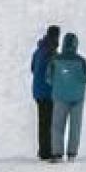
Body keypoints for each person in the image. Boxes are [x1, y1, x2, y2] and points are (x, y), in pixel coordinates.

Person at [47, 33, 86, 162]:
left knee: (57, 125)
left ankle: (57, 153)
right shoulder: (81, 60)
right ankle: (72, 153)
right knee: (75, 126)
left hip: (60, 96)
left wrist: (60, 82)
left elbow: (48, 78)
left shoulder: (55, 59)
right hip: (77, 97)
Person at [31, 26, 62, 162]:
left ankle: (43, 149)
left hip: (38, 89)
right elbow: (55, 72)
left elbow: (32, 68)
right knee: (49, 121)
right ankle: (47, 151)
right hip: (48, 91)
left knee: (43, 121)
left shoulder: (38, 50)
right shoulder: (51, 52)